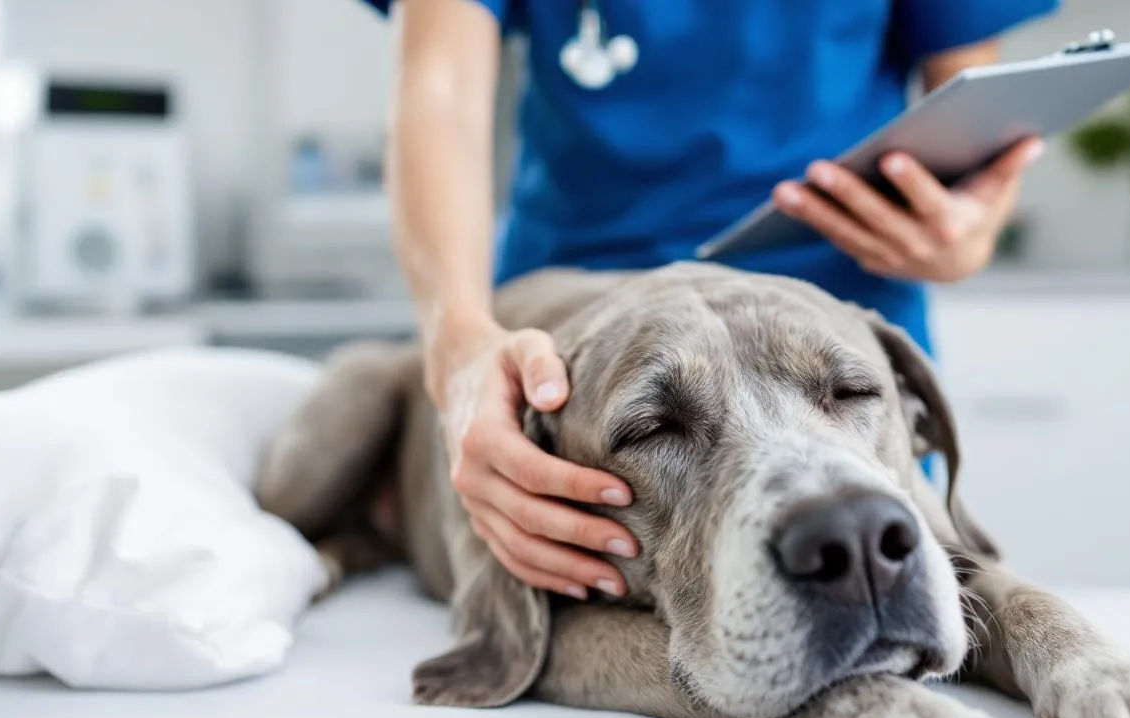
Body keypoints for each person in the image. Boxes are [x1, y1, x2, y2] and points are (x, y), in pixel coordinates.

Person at [362, 0, 1058, 601]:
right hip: (587, 361)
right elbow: (439, 95)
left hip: (835, 347)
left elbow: (969, 121)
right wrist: (458, 342)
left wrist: (963, 234)